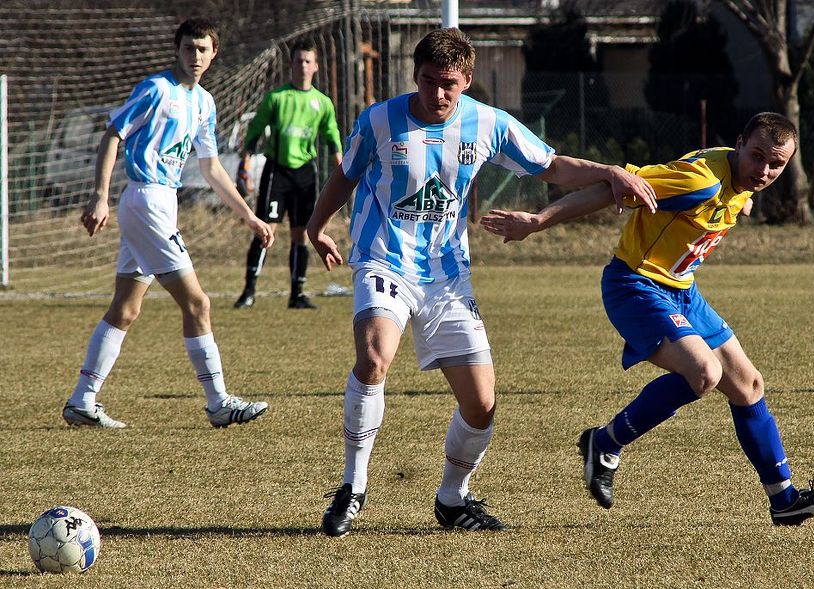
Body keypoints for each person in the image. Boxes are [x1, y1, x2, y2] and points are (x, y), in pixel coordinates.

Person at [306, 28, 657, 537]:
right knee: (374, 356)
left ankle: (452, 499)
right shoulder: (379, 120)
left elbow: (550, 166)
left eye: (448, 83)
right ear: (415, 76)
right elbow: (346, 174)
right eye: (428, 82)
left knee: (481, 403)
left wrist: (612, 172)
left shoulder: (487, 123)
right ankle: (353, 486)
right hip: (385, 260)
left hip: (447, 275)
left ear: (467, 80)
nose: (437, 94)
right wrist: (317, 227)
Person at [480, 112, 814, 526]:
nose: (764, 170)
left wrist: (741, 199)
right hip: (635, 285)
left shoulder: (736, 177)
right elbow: (614, 186)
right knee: (704, 373)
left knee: (748, 386)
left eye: (776, 164)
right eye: (757, 156)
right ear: (740, 143)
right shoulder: (700, 181)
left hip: (681, 289)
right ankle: (604, 443)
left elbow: (733, 186)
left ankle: (784, 500)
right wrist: (538, 221)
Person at [62, 19, 274, 429]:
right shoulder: (156, 89)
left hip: (162, 202)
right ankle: (218, 403)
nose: (195, 56)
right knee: (198, 303)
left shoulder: (205, 103)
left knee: (125, 308)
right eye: (188, 48)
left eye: (202, 49)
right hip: (146, 199)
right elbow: (113, 134)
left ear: (214, 54)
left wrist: (248, 215)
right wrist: (99, 195)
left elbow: (212, 168)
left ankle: (82, 401)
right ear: (176, 49)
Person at [234, 39, 343, 310]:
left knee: (302, 234)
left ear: (315, 66)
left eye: (308, 61)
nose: (303, 66)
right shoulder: (277, 98)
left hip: (306, 173)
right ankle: (248, 291)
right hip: (277, 172)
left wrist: (341, 167)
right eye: (298, 61)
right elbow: (256, 129)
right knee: (265, 231)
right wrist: (244, 160)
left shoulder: (322, 103)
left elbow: (332, 137)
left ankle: (297, 293)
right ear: (291, 64)